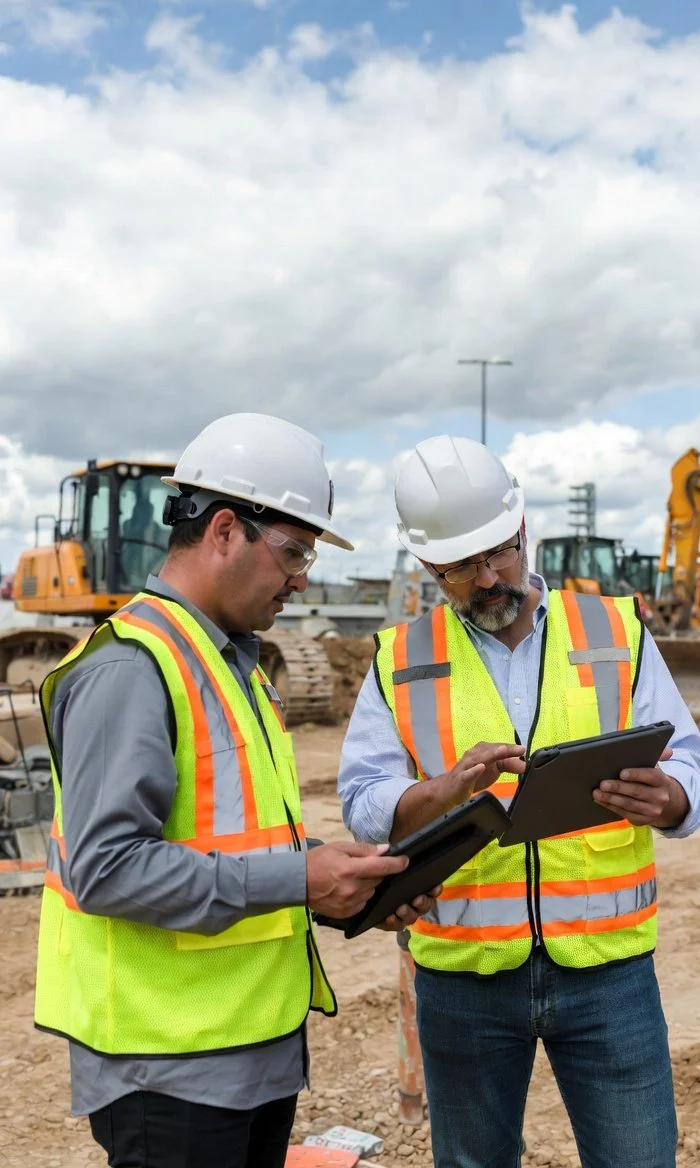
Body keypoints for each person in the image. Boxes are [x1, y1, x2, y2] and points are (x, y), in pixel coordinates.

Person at [34, 413, 437, 1168]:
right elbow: (105, 867)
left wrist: (336, 873)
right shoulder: (132, 667)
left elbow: (234, 836)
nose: (303, 577)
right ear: (224, 531)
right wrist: (299, 876)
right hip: (169, 1067)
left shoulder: (231, 662)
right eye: (292, 551)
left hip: (243, 1052)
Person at [338, 435, 700, 1168]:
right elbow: (361, 798)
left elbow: (688, 764)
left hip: (609, 971)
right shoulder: (399, 659)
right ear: (425, 565)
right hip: (464, 976)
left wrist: (669, 799)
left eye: (500, 553)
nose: (488, 578)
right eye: (460, 567)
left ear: (522, 529)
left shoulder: (616, 630)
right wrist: (437, 791)